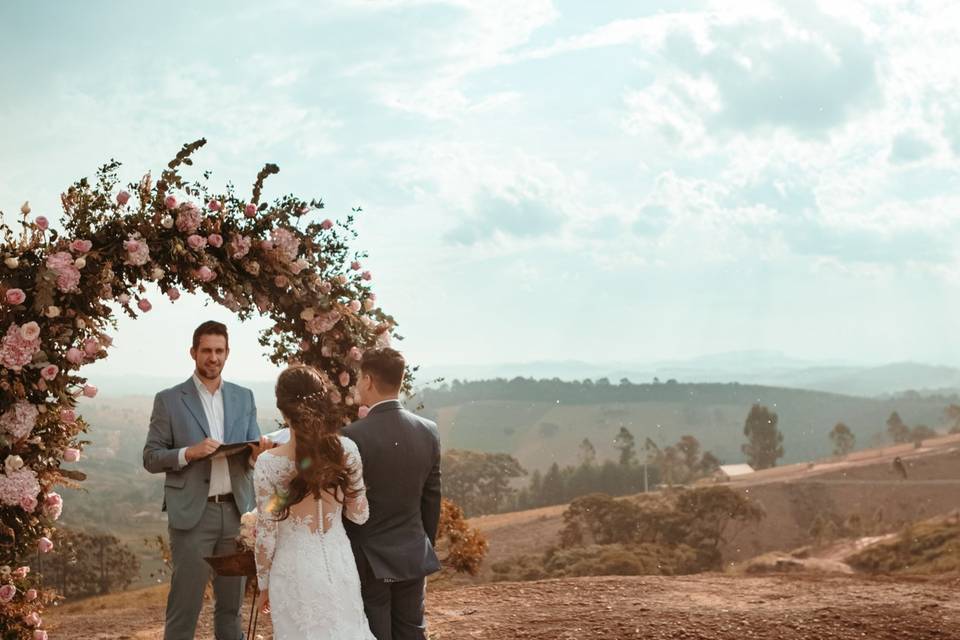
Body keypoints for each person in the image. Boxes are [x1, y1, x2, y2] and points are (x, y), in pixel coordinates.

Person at [142, 320, 271, 640]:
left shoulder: (245, 397)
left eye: (219, 351)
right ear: (193, 353)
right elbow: (151, 457)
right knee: (185, 607)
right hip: (192, 516)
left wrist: (257, 454)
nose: (213, 357)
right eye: (207, 351)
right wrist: (190, 452)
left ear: (227, 354)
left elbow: (251, 454)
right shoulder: (169, 399)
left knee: (231, 609)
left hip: (238, 514)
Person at [253, 365, 375, 639]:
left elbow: (266, 534)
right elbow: (360, 515)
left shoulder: (268, 464)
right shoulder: (347, 451)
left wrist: (263, 585)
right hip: (339, 564)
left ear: (283, 411)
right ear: (322, 401)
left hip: (293, 572)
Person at [343, 348, 442, 640]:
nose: (358, 385)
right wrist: (422, 545)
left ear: (369, 380)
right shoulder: (429, 430)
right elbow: (432, 499)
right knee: (412, 633)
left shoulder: (351, 436)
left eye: (360, 379)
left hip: (367, 559)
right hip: (413, 553)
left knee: (374, 634)